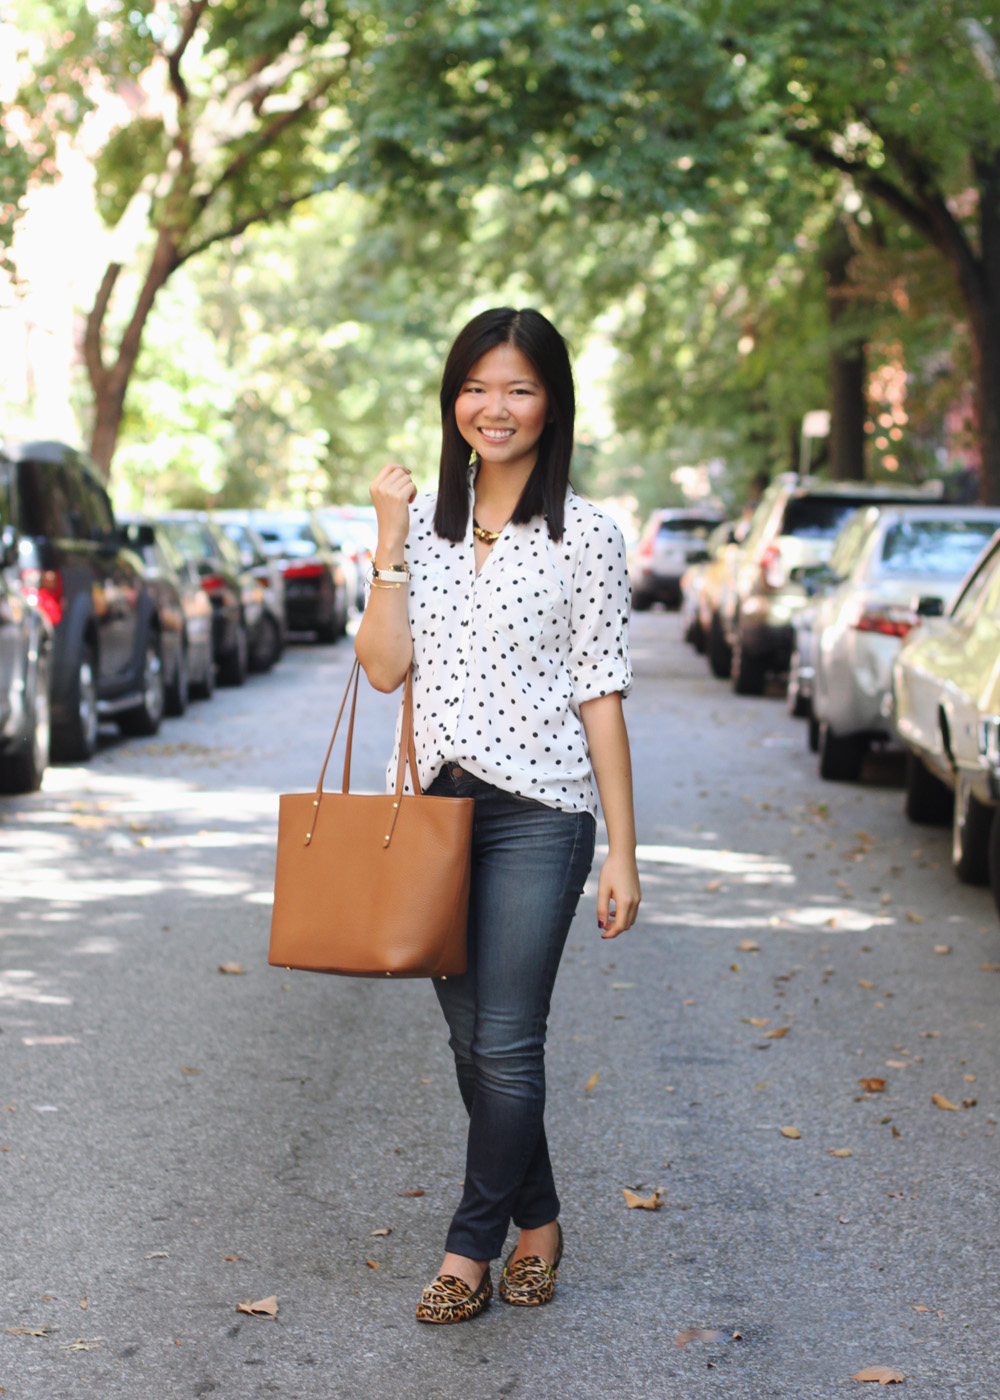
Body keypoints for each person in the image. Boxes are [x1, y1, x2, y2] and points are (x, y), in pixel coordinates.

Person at [355, 306, 641, 1325]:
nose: (496, 406)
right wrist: (389, 540)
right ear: (453, 401)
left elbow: (600, 693)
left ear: (551, 402)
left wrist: (622, 851)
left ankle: (469, 1246)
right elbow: (386, 667)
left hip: (540, 811)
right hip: (437, 813)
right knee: (473, 1044)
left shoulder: (589, 535)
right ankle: (542, 1220)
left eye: (518, 386)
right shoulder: (424, 528)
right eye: (477, 386)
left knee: (510, 1039)